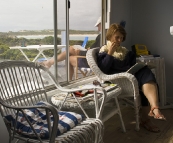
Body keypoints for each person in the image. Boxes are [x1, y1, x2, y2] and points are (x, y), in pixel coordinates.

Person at [97, 23, 166, 133]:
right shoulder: (104, 51)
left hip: (131, 77)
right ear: (110, 37)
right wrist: (110, 53)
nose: (120, 40)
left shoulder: (126, 52)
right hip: (118, 81)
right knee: (144, 79)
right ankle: (147, 118)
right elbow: (103, 70)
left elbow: (132, 65)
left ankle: (155, 108)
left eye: (122, 37)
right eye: (117, 37)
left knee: (145, 73)